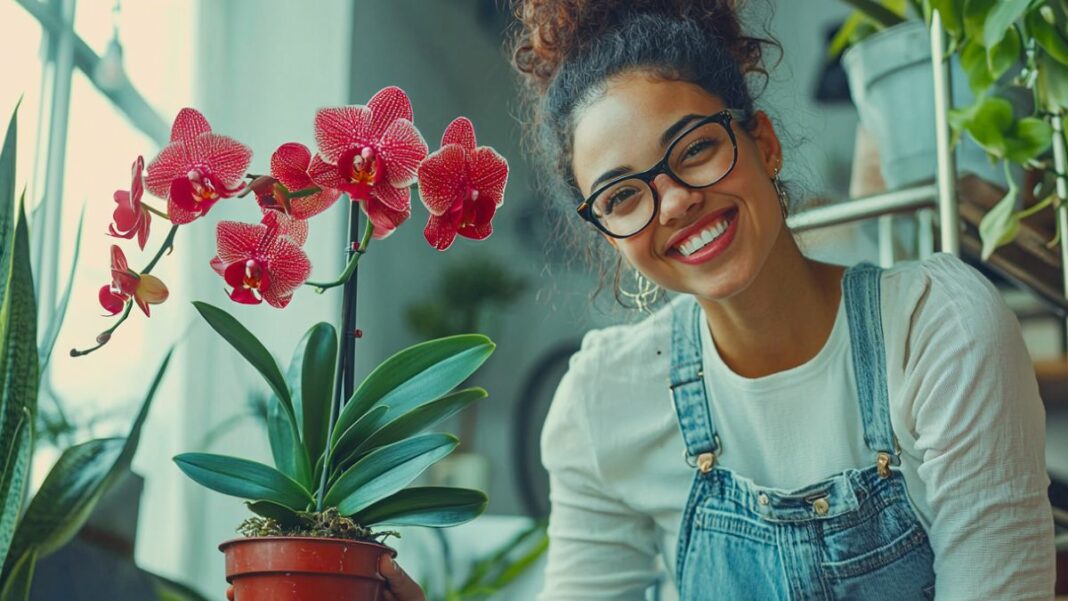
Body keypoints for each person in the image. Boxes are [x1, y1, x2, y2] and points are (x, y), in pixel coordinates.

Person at [382, 1, 1056, 600]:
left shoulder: (937, 330)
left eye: (696, 148)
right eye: (622, 196)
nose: (674, 200)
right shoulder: (603, 402)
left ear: (760, 141)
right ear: (610, 236)